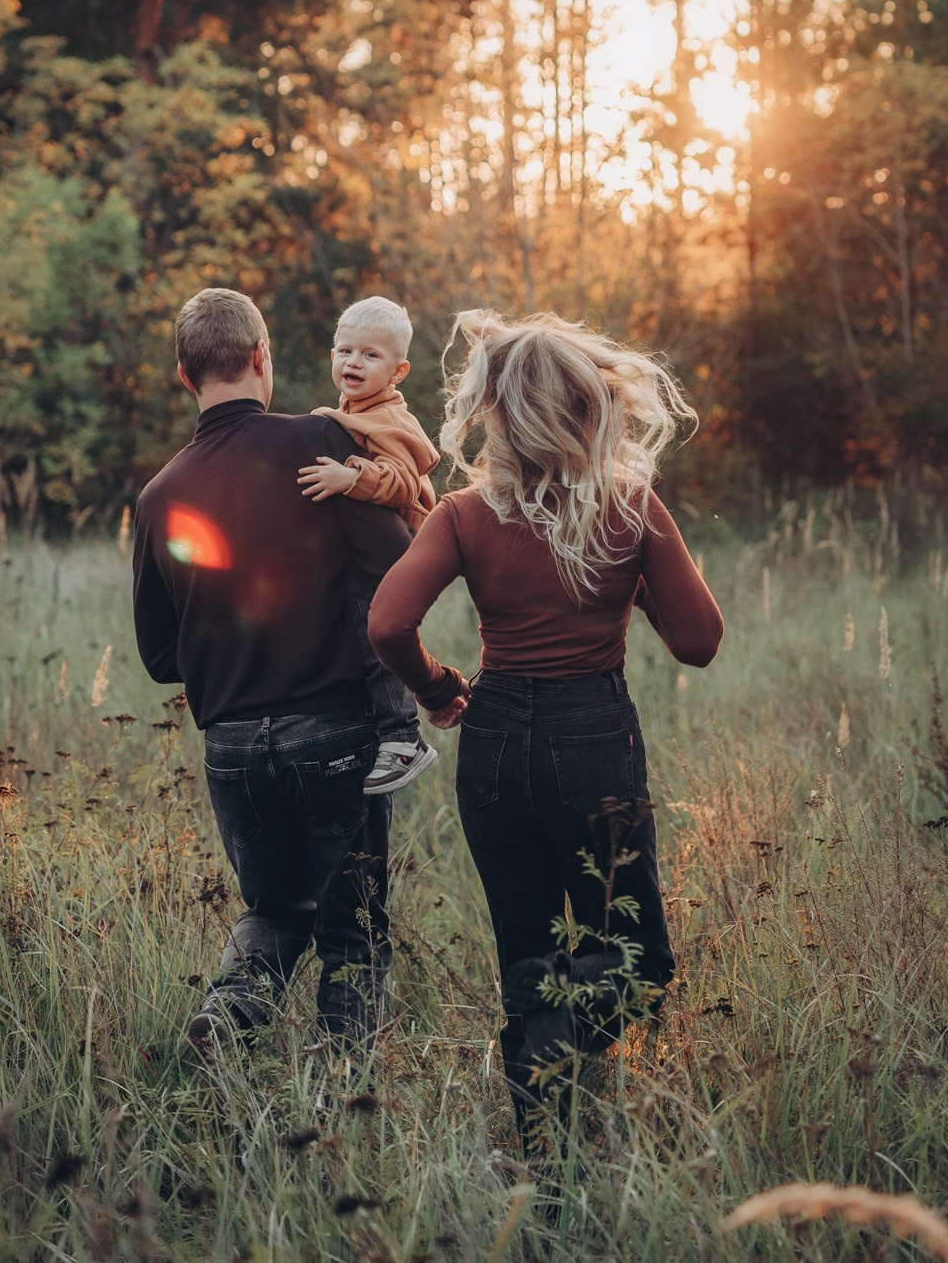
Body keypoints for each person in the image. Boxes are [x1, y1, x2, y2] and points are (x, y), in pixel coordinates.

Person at [367, 310, 724, 1141]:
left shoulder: (461, 512)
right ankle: (560, 1064)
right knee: (635, 963)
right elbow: (698, 643)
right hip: (591, 736)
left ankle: (542, 1137)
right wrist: (626, 582)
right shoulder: (629, 506)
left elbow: (387, 623)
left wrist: (435, 687)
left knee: (528, 952)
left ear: (496, 409)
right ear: (586, 407)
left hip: (491, 740)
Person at [132, 287, 412, 1048]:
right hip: (334, 733)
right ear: (262, 357)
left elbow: (159, 657)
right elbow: (402, 565)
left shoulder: (158, 496)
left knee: (272, 910)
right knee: (352, 933)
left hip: (230, 747)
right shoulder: (321, 442)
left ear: (183, 375)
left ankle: (228, 1017)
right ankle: (339, 1103)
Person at [298, 295, 441, 795]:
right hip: (366, 550)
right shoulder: (354, 409)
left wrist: (350, 475)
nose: (353, 362)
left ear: (398, 371)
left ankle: (403, 737)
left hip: (395, 552)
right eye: (345, 351)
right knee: (355, 631)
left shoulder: (390, 421)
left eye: (370, 355)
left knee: (373, 631)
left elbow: (403, 483)